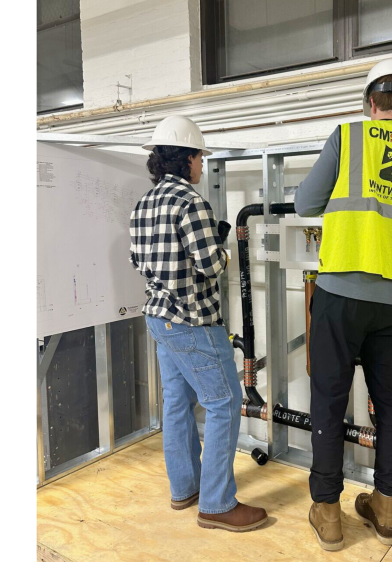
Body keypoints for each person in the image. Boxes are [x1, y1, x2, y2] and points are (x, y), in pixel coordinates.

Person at [293, 59, 392, 550]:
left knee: (329, 398)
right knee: (391, 403)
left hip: (340, 292)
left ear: (370, 103)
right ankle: (385, 509)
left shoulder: (349, 136)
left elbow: (304, 204)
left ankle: (328, 513)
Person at [128, 115, 267, 533]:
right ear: (187, 158)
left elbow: (137, 261)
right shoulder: (191, 203)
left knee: (176, 402)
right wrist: (223, 251)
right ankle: (217, 504)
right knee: (224, 402)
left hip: (159, 318)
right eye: (200, 158)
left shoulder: (143, 204)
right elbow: (210, 266)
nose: (202, 165)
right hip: (193, 321)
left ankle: (185, 488)